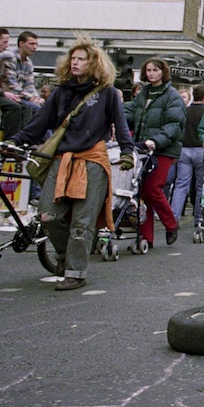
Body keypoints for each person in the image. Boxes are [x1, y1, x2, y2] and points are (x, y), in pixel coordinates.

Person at [9, 38, 132, 291]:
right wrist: (15, 141)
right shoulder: (61, 91)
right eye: (73, 59)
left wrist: (128, 152)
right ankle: (65, 258)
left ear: (94, 63)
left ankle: (76, 272)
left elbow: (121, 126)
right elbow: (39, 124)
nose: (75, 62)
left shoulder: (107, 93)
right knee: (48, 215)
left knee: (82, 221)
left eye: (81, 59)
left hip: (92, 161)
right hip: (62, 161)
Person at [123, 57, 185, 247]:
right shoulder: (144, 93)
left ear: (163, 72)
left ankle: (171, 223)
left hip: (163, 148)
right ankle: (146, 237)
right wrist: (117, 119)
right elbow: (131, 113)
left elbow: (175, 124)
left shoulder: (172, 95)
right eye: (148, 70)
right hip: (143, 147)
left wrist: (156, 141)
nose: (151, 74)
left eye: (155, 70)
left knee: (152, 189)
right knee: (142, 192)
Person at [171, 85, 204, 228]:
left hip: (184, 149)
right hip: (201, 150)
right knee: (201, 185)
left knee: (181, 185)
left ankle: (173, 218)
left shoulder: (185, 111)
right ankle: (199, 217)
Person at [0, 30, 43, 112]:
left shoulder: (29, 63)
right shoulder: (9, 56)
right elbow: (12, 85)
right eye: (31, 44)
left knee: (44, 107)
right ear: (21, 44)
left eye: (36, 44)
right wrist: (31, 98)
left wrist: (37, 98)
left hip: (20, 96)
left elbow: (29, 85)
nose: (35, 47)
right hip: (6, 94)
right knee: (36, 109)